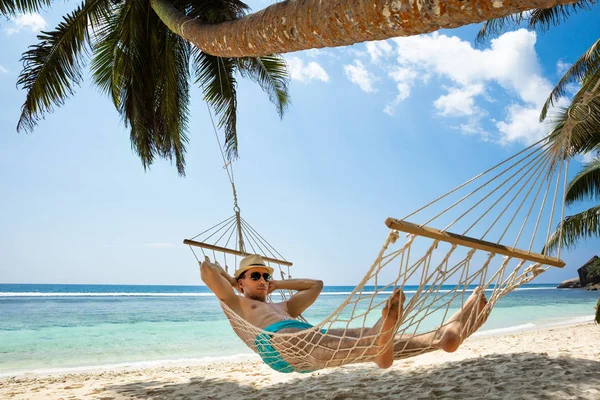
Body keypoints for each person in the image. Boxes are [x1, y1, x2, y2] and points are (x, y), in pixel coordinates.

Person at [200, 254, 488, 373]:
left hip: (310, 337)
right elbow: (207, 273)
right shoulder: (236, 304)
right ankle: (378, 346)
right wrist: (228, 274)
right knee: (305, 340)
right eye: (255, 276)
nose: (262, 280)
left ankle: (443, 335)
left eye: (266, 276)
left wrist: (278, 283)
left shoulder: (284, 306)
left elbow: (316, 285)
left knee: (365, 334)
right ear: (240, 282)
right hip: (280, 345)